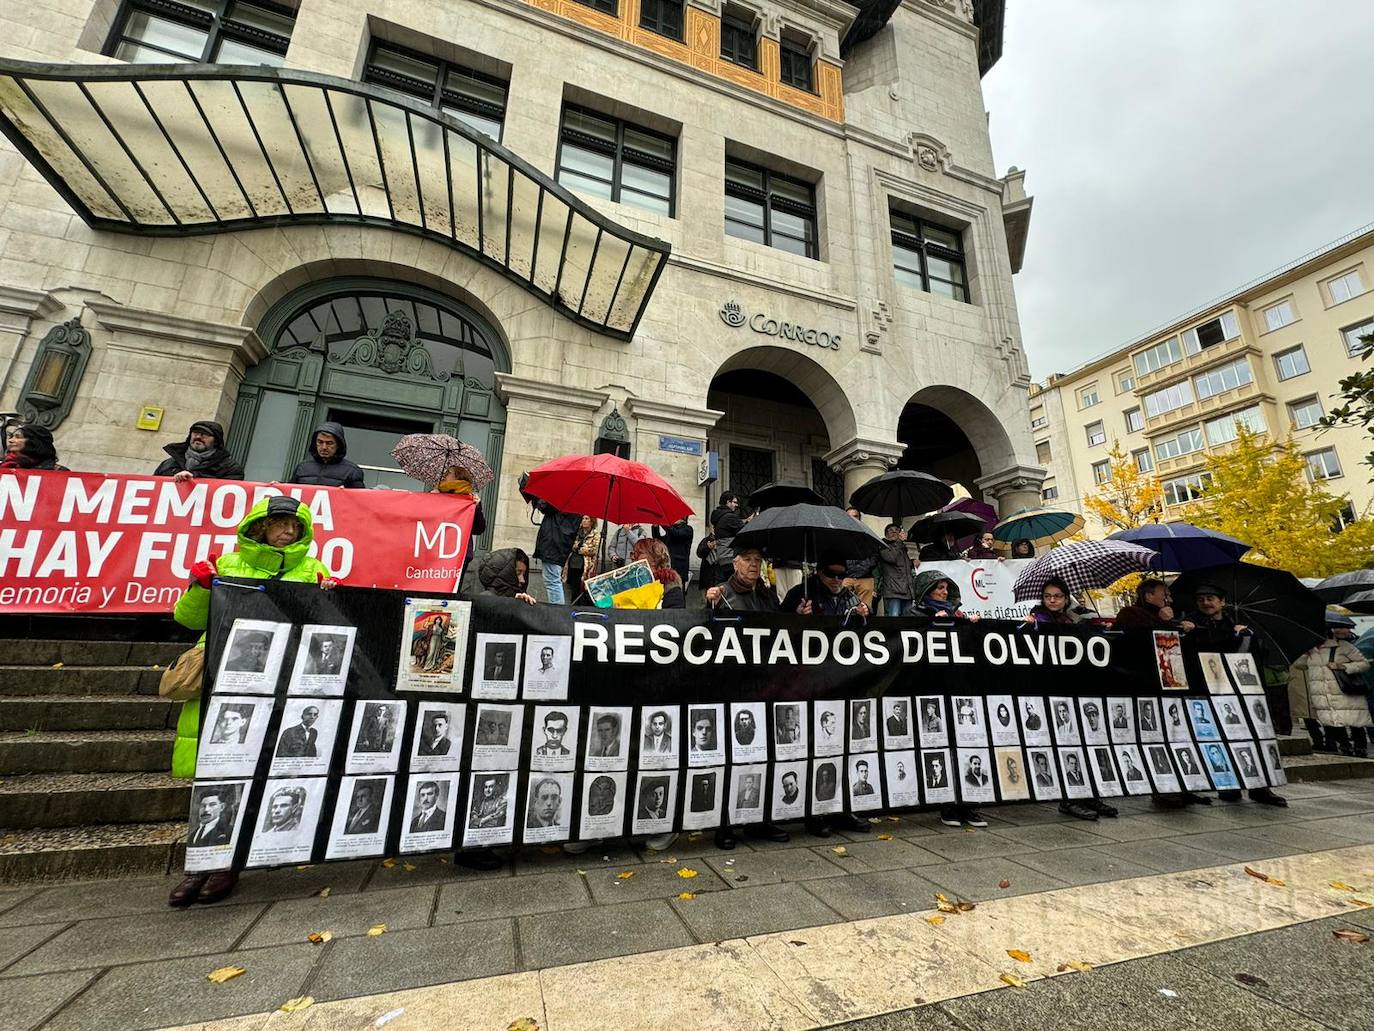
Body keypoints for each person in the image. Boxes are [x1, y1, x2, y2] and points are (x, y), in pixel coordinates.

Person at [167, 494, 336, 908]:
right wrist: (200, 586)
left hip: (281, 677)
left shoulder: (313, 569)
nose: (287, 531)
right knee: (217, 772)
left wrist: (331, 595)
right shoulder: (225, 564)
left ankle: (230, 862)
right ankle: (200, 862)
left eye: (295, 527)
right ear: (261, 526)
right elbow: (186, 618)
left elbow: (328, 624)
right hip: (227, 673)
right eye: (280, 523)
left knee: (257, 766)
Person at [1184, 584, 1286, 808]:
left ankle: (1260, 786)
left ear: (1222, 602)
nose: (1206, 603)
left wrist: (1245, 636)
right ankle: (1229, 785)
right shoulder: (1190, 624)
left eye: (1210, 598)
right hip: (1208, 690)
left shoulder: (1237, 624)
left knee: (1251, 736)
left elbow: (1255, 655)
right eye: (1201, 599)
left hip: (1240, 692)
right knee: (1218, 738)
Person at [1289, 620, 1372, 757]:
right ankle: (1345, 746)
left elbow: (1364, 664)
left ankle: (1360, 748)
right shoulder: (1311, 651)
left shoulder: (1344, 646)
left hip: (1345, 690)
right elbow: (1298, 665)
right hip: (1323, 694)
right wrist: (1306, 654)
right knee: (1332, 722)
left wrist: (1344, 667)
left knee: (1354, 720)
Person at [520, 476, 581, 605]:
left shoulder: (564, 495)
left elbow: (544, 505)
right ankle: (558, 610)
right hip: (558, 543)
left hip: (554, 542)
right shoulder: (575, 499)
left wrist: (531, 491)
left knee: (552, 580)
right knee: (552, 579)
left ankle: (557, 613)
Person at [781, 553, 870, 617]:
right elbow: (779, 618)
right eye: (830, 573)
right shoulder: (799, 593)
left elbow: (864, 619)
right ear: (819, 572)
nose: (836, 579)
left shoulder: (849, 596)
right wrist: (797, 614)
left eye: (841, 575)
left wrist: (865, 611)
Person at [152, 420, 241, 481]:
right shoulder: (168, 464)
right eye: (195, 433)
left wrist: (194, 479)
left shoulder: (230, 468)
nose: (198, 437)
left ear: (216, 441)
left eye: (205, 434)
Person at [288, 422, 365, 488]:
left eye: (329, 443)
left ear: (338, 445)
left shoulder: (352, 471)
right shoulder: (302, 467)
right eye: (320, 442)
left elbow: (359, 501)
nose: (324, 447)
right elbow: (289, 495)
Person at [705, 548, 780, 611]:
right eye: (747, 559)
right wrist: (712, 602)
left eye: (757, 559)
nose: (754, 564)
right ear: (735, 564)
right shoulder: (723, 593)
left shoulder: (770, 596)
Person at [1113, 579, 1196, 632]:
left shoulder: (1161, 614)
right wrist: (1163, 622)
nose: (1170, 600)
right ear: (1149, 596)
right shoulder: (1130, 613)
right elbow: (1142, 636)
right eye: (1165, 596)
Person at [469, 548, 537, 605]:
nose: (523, 580)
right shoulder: (484, 600)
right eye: (518, 573)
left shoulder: (521, 599)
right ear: (506, 573)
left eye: (524, 574)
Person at [631, 538, 686, 608]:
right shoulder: (630, 583)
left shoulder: (670, 588)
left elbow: (674, 617)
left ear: (655, 558)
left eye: (639, 553)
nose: (633, 557)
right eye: (632, 553)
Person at [840, 507, 878, 607]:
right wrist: (847, 570)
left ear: (860, 518)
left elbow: (874, 556)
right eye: (849, 516)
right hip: (846, 577)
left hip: (865, 578)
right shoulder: (839, 535)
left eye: (855, 516)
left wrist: (862, 569)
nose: (852, 518)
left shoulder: (869, 534)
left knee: (864, 611)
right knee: (842, 608)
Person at [876, 524, 916, 616]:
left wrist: (912, 561)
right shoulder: (883, 545)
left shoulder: (901, 547)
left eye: (897, 530)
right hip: (893, 592)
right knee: (894, 620)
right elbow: (891, 558)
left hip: (907, 591)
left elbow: (902, 566)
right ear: (886, 534)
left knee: (907, 622)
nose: (894, 532)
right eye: (891, 530)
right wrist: (899, 542)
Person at [913, 575, 981, 621]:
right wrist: (934, 620)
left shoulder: (956, 612)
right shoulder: (914, 613)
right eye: (940, 588)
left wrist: (973, 622)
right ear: (928, 591)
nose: (946, 592)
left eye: (947, 588)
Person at [1, 423, 66, 471]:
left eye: (18, 437)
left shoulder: (56, 471)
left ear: (33, 442)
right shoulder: (3, 466)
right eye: (12, 436)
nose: (10, 440)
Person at [652, 516, 695, 586]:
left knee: (678, 592)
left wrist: (662, 522)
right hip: (668, 566)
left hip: (679, 568)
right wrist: (655, 527)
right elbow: (659, 541)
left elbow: (676, 534)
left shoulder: (687, 529)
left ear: (682, 519)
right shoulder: (671, 530)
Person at [566, 516, 600, 603]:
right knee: (573, 587)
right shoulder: (577, 532)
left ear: (592, 521)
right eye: (583, 519)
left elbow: (593, 549)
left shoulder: (595, 534)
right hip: (573, 562)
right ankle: (574, 603)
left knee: (583, 587)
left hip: (586, 565)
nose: (584, 521)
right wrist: (579, 548)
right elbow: (572, 545)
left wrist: (580, 549)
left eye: (586, 519)